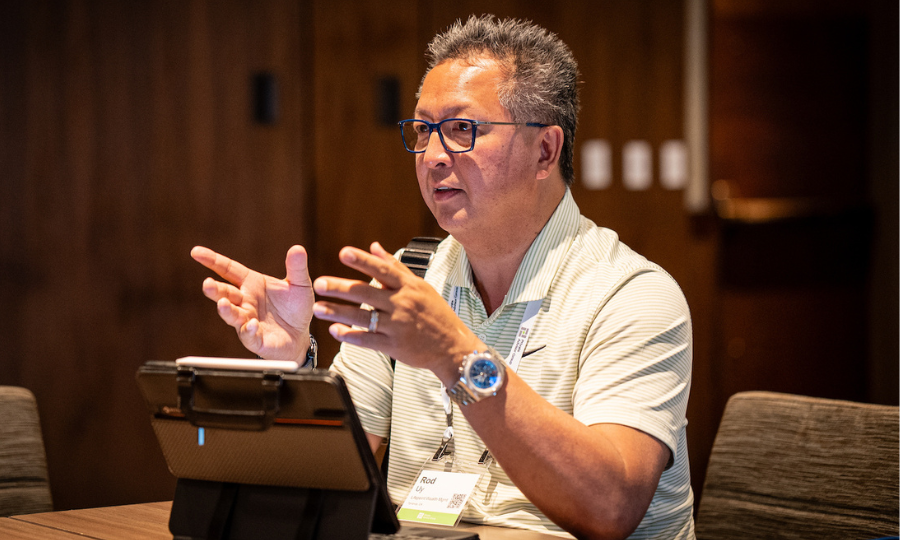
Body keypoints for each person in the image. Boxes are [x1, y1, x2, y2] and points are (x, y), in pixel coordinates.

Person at [191, 15, 694, 540]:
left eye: (462, 130)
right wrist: (297, 368)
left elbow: (610, 509)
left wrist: (453, 354)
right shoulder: (408, 280)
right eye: (423, 131)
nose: (432, 157)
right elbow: (322, 489)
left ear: (545, 150)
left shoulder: (633, 296)